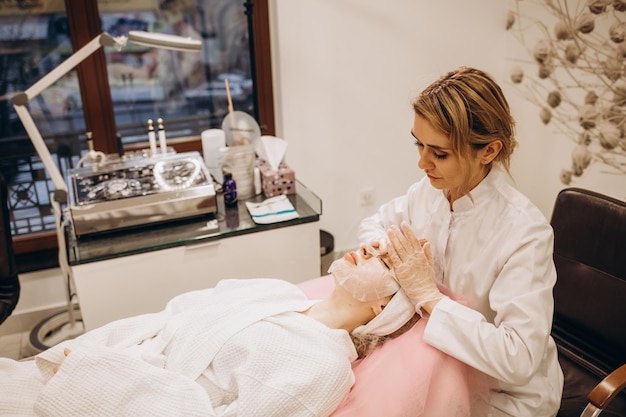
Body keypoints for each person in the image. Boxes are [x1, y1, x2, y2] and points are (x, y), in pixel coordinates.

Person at [358, 66, 564, 416]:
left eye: (439, 153)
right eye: (418, 144)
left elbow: (518, 357)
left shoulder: (524, 233)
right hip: (433, 363)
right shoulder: (429, 191)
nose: (422, 163)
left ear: (488, 151)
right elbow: (373, 224)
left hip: (503, 394)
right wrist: (386, 250)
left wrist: (429, 299)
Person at [0, 249, 416, 417]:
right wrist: (95, 353)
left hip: (113, 395)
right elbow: (170, 316)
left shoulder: (323, 367)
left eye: (381, 259)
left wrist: (98, 380)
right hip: (105, 358)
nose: (366, 248)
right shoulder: (277, 292)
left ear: (384, 307)